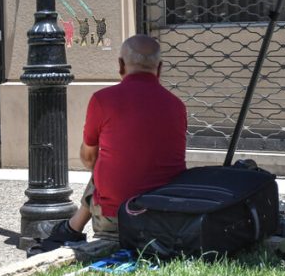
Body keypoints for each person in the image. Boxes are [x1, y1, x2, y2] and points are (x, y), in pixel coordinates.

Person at [46, 35, 187, 244]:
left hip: (117, 216)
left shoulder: (103, 100)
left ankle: (71, 228)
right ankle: (72, 227)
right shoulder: (177, 105)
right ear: (160, 68)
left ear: (121, 65)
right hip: (165, 215)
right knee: (112, 162)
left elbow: (88, 157)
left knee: (102, 162)